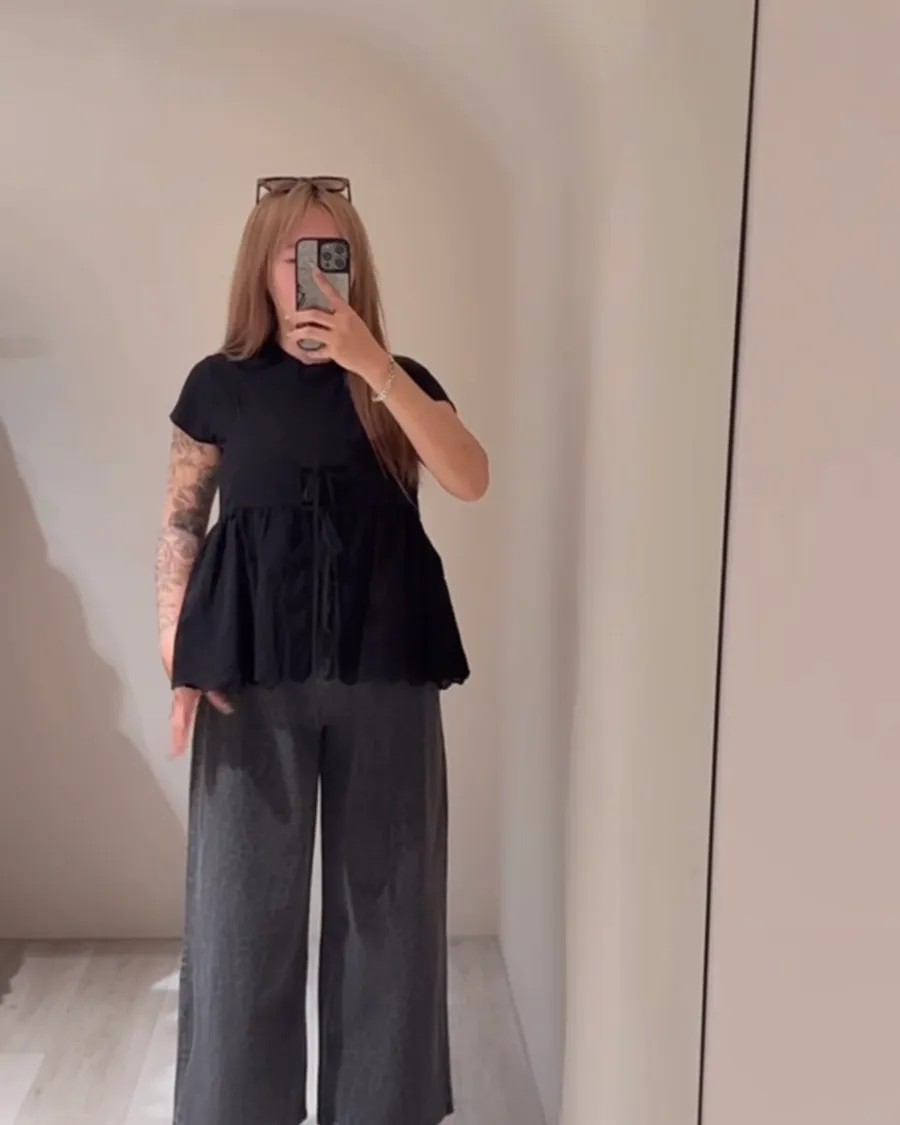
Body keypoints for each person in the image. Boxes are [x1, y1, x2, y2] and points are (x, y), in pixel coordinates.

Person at [154, 175, 488, 1125]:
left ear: (353, 264)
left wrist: (372, 364)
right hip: (249, 678)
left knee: (390, 913)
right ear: (261, 267)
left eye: (327, 252)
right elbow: (181, 523)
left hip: (386, 672)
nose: (308, 273)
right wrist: (179, 655)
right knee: (238, 918)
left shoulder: (395, 381)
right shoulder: (218, 383)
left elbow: (469, 476)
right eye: (290, 253)